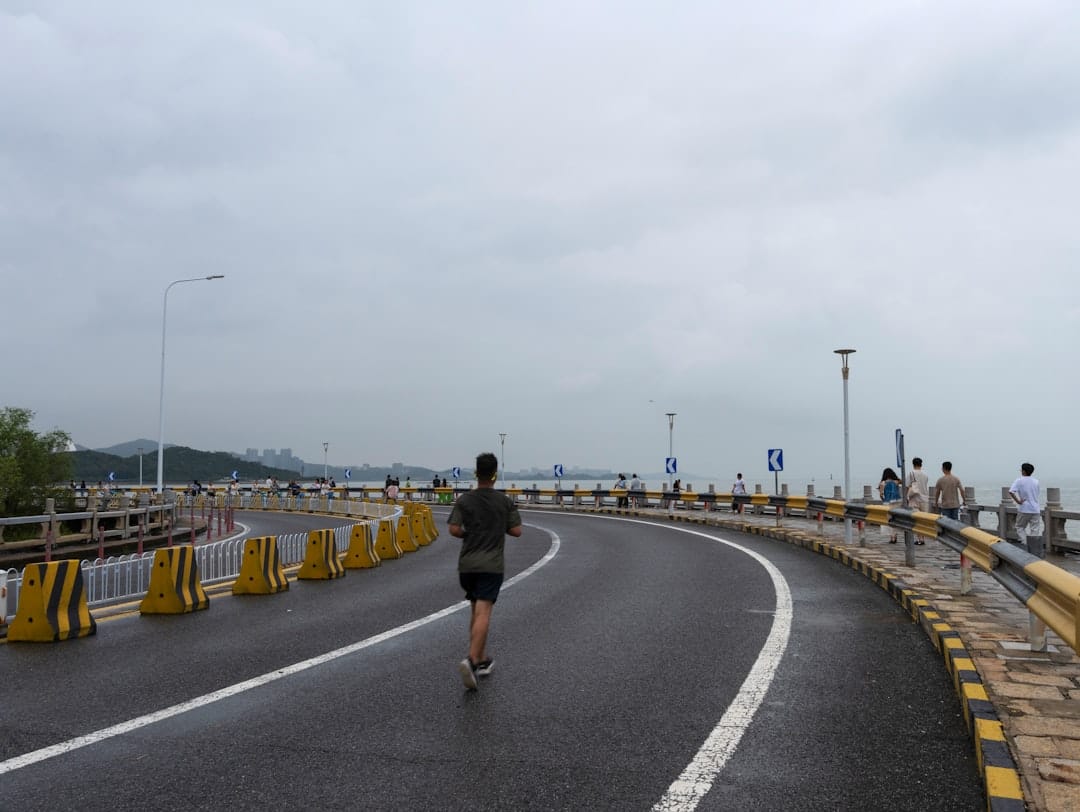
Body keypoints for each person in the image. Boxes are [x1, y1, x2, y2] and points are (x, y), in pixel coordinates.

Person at [448, 452, 523, 690]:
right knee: (484, 613)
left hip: (467, 566)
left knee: (475, 610)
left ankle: (480, 659)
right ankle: (471, 660)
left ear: (475, 473)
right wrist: (498, 525)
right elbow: (517, 531)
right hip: (491, 566)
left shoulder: (464, 500)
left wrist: (468, 534)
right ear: (494, 474)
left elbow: (453, 528)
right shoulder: (504, 502)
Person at [1009, 462, 1043, 556]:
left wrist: (1018, 501)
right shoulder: (1036, 481)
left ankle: (1025, 544)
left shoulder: (1019, 480)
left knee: (1020, 527)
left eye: (1021, 469)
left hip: (1024, 508)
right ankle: (1034, 549)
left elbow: (1011, 491)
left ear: (1023, 471)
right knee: (1034, 529)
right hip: (1035, 509)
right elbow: (1037, 493)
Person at [905, 458, 930, 545]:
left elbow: (907, 486)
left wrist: (905, 497)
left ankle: (920, 539)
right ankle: (923, 538)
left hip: (914, 499)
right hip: (925, 499)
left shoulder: (911, 473)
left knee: (916, 520)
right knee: (923, 520)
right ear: (921, 464)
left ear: (913, 464)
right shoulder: (925, 475)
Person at [878, 467, 903, 543]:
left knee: (889, 520)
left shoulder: (882, 483)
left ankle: (892, 537)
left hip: (887, 503)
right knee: (896, 520)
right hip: (897, 502)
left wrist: (883, 499)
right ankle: (895, 536)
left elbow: (881, 495)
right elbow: (903, 482)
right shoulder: (896, 482)